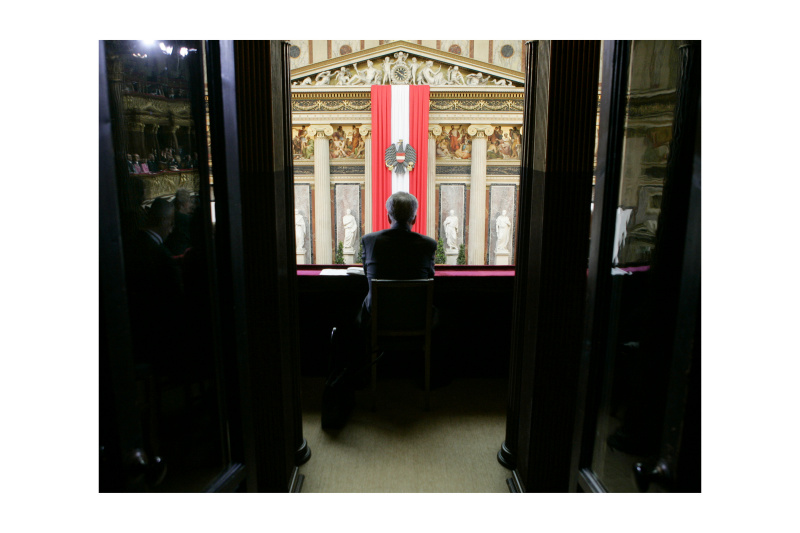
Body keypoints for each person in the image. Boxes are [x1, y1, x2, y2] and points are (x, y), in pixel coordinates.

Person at [359, 192, 436, 323]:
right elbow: (430, 276)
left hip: (378, 317)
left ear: (388, 218)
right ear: (414, 219)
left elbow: (367, 273)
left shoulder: (370, 241)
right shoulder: (429, 244)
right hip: (416, 317)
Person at [165, 188, 195, 255]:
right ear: (183, 204)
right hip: (183, 253)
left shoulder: (172, 215)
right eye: (189, 201)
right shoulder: (185, 219)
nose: (191, 204)